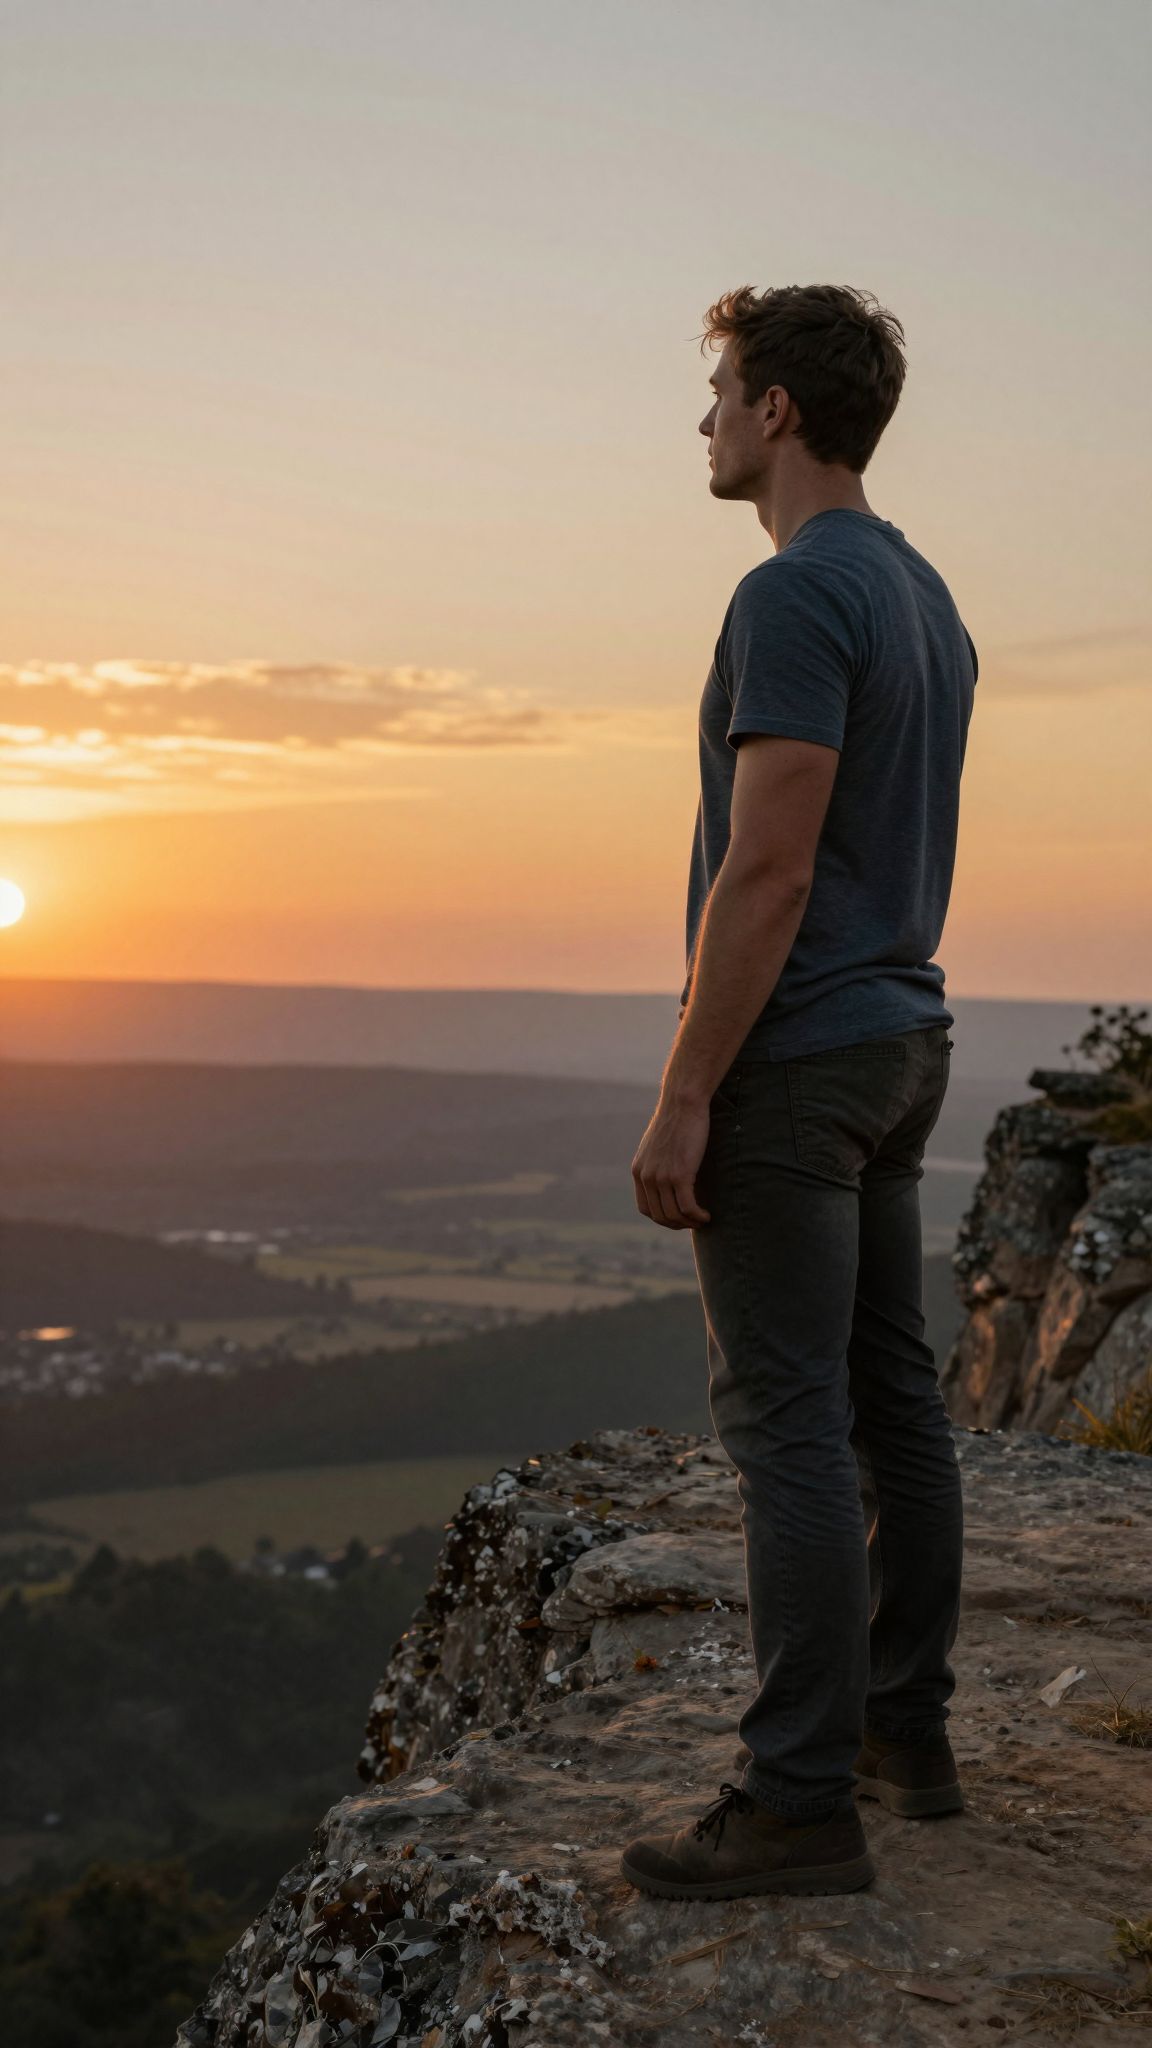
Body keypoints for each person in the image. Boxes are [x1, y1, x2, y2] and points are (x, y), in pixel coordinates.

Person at [622, 284, 977, 1900]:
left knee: (786, 1426)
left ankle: (796, 1802)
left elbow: (766, 869)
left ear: (777, 412)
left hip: (800, 1054)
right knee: (890, 1399)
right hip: (904, 1039)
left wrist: (690, 1089)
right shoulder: (923, 594)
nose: (702, 420)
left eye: (718, 390)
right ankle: (907, 1734)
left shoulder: (792, 599)